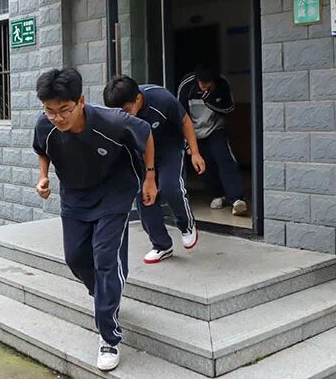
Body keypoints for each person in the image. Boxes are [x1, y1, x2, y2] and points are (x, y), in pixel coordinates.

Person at [33, 68, 157, 372]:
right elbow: (42, 149)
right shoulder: (45, 124)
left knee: (104, 259)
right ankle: (105, 292)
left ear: (81, 101)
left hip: (114, 192)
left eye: (64, 110)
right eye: (50, 111)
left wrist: (150, 177)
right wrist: (43, 177)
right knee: (75, 258)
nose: (57, 118)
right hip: (75, 195)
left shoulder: (112, 121)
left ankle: (109, 337)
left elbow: (146, 134)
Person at [103, 75, 204, 264]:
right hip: (142, 153)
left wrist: (195, 153)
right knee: (144, 196)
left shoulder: (161, 99)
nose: (123, 116)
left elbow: (185, 122)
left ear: (138, 98)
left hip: (169, 148)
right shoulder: (118, 115)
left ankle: (186, 225)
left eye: (126, 110)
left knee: (170, 187)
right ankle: (161, 245)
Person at [178, 65, 248, 216]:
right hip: (194, 131)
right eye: (200, 82)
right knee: (205, 164)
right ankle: (218, 194)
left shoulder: (222, 83)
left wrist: (210, 100)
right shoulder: (187, 85)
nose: (203, 85)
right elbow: (181, 116)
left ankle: (237, 199)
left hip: (216, 127)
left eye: (207, 83)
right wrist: (188, 144)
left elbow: (229, 108)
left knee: (225, 159)